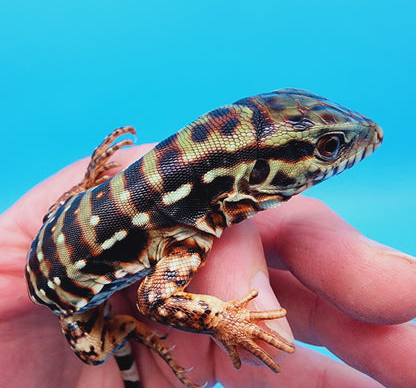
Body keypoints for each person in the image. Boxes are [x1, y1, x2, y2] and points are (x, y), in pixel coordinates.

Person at [1, 143, 415, 388]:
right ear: (255, 174)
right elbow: (155, 298)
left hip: (57, 239)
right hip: (72, 303)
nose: (367, 141)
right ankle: (124, 331)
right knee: (93, 352)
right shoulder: (189, 233)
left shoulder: (190, 213)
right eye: (328, 148)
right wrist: (222, 320)